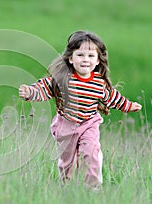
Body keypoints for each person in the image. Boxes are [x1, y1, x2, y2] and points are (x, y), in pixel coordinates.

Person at [18, 30, 142, 190]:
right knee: (68, 162)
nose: (85, 60)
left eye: (91, 56)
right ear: (71, 58)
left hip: (89, 123)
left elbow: (113, 98)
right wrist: (30, 92)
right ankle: (67, 186)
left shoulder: (99, 83)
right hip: (65, 125)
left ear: (98, 60)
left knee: (91, 152)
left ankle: (92, 188)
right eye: (80, 55)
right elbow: (44, 88)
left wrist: (129, 106)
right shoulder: (62, 78)